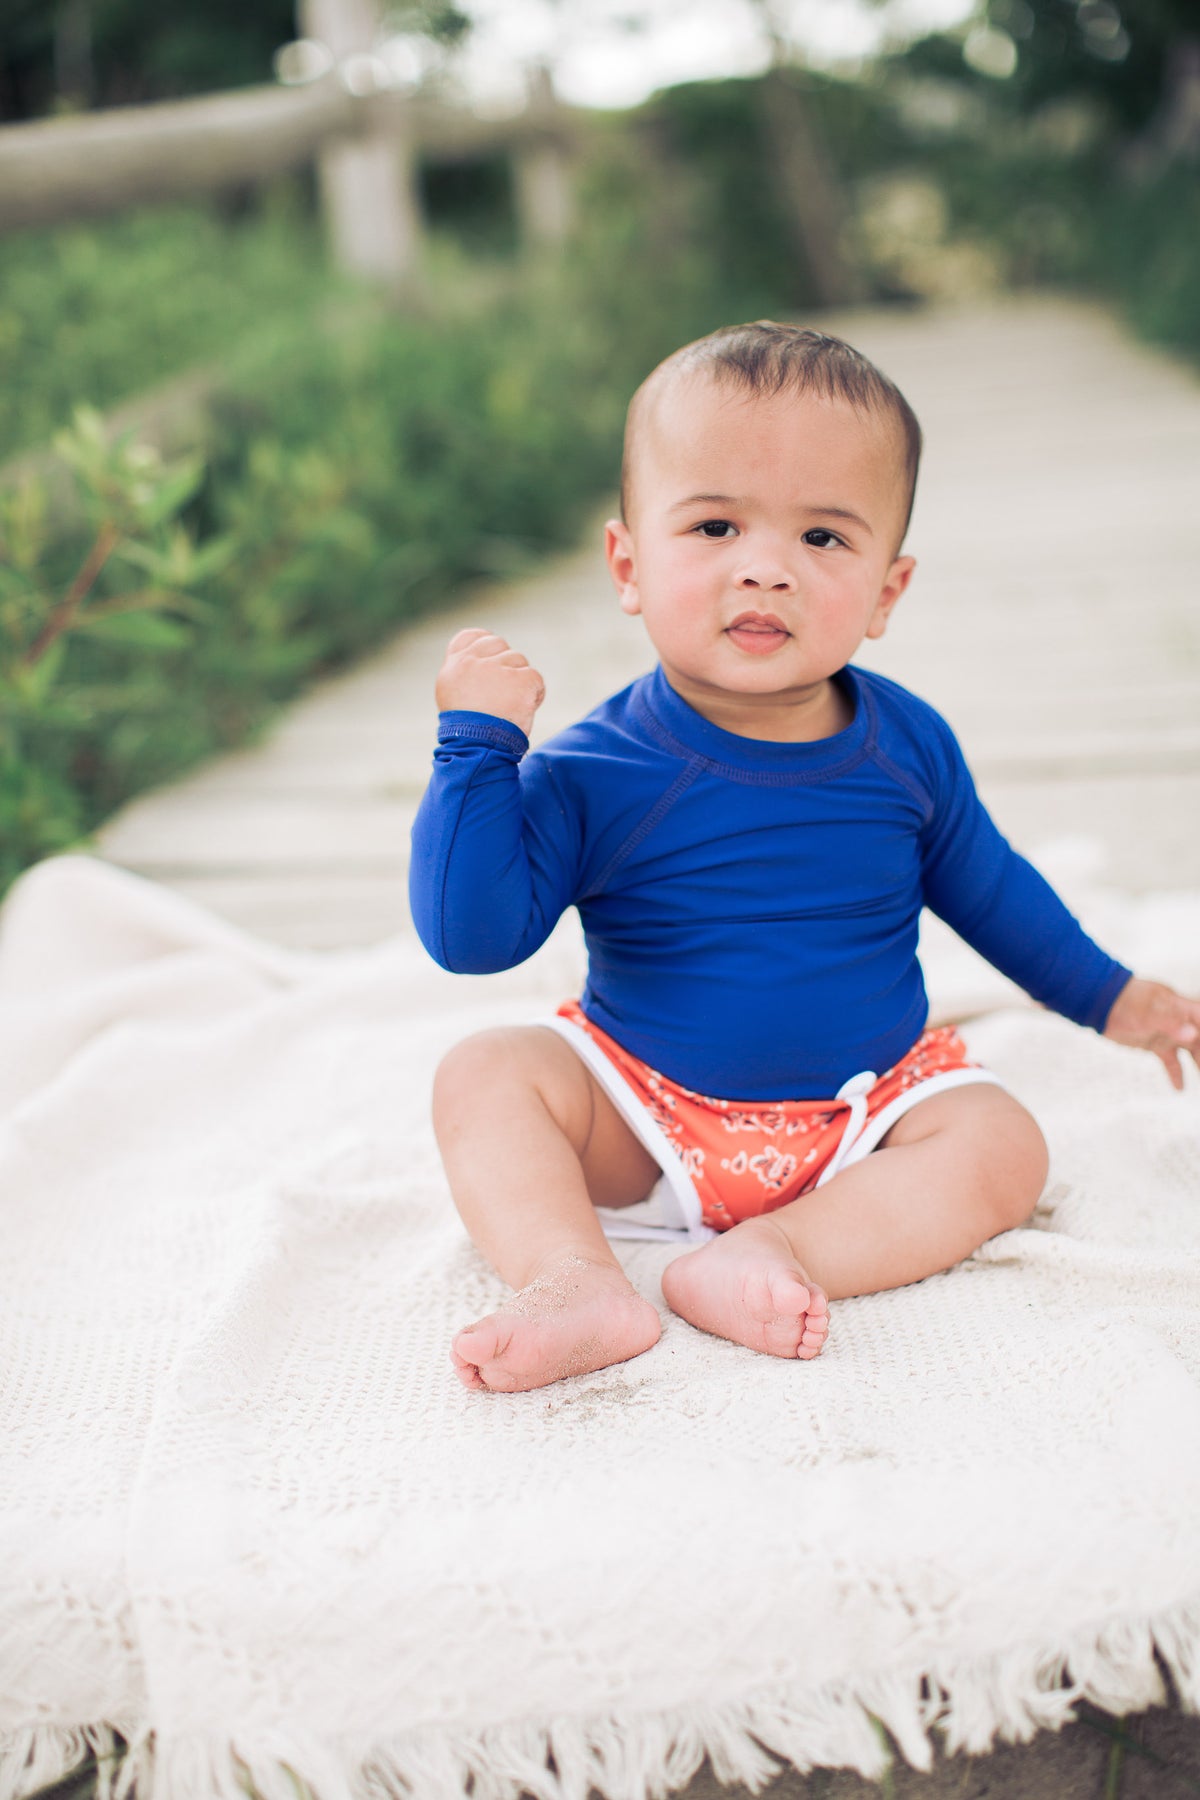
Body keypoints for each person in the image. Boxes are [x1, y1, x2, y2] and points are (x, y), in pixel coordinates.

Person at [409, 321, 1200, 1394]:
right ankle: (572, 1278)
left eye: (824, 540)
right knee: (488, 1074)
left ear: (886, 592)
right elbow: (472, 939)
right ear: (628, 565)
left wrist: (1112, 1000)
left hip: (865, 1114)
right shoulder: (597, 767)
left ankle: (777, 1252)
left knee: (1001, 1142)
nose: (767, 569)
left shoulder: (906, 744)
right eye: (716, 525)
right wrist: (477, 751)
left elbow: (994, 891)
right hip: (645, 1111)